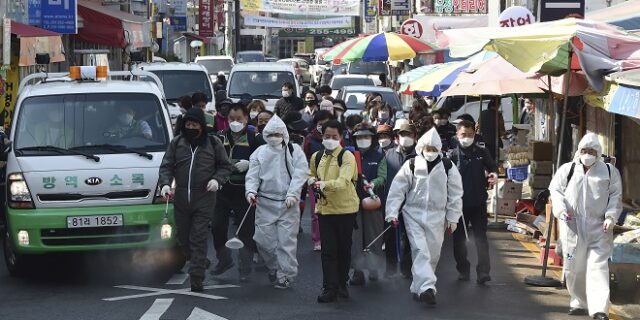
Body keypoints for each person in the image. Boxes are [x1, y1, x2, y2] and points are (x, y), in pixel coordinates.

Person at [158, 108, 234, 292]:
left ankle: (197, 280)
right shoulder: (177, 143)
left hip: (204, 197)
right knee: (183, 238)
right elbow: (166, 165)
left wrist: (217, 180)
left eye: (195, 124)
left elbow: (225, 166)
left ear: (202, 126)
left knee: (198, 238)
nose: (191, 127)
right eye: (188, 124)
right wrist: (165, 184)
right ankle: (200, 261)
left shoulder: (212, 143)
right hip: (182, 198)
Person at [385, 127, 463, 305]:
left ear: (439, 149)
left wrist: (452, 217)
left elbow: (456, 194)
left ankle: (417, 287)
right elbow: (398, 189)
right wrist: (392, 212)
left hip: (438, 217)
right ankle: (428, 288)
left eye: (434, 149)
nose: (430, 152)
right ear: (421, 147)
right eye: (427, 149)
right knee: (420, 251)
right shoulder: (411, 164)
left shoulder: (447, 166)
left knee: (433, 254)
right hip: (413, 214)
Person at [549, 133, 622, 320]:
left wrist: (610, 217)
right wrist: (560, 210)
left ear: (598, 153)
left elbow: (615, 196)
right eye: (584, 150)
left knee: (598, 267)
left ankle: (599, 309)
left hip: (599, 226)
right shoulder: (568, 170)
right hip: (572, 226)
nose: (587, 154)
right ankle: (578, 302)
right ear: (578, 151)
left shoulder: (609, 171)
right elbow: (555, 190)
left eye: (591, 151)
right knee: (574, 267)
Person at [245, 115, 309, 289]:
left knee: (286, 243)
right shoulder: (259, 153)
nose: (274, 137)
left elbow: (301, 173)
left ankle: (286, 275)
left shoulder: (294, 151)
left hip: (288, 204)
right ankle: (273, 266)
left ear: (284, 134)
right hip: (265, 203)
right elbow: (252, 176)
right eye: (271, 133)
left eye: (277, 133)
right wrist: (250, 191)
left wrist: (293, 194)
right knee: (263, 240)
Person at [309, 120, 359, 303]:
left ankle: (342, 283)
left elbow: (343, 182)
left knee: (344, 249)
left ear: (341, 137)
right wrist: (311, 181)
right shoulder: (316, 156)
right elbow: (310, 173)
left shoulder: (347, 157)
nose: (330, 140)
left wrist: (322, 184)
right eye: (327, 136)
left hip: (346, 209)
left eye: (334, 137)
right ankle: (330, 287)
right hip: (325, 209)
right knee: (328, 250)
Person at [210, 103, 260, 281]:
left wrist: (250, 163)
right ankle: (224, 259)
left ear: (247, 119)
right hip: (222, 190)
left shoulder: (255, 138)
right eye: (232, 119)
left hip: (244, 192)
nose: (235, 122)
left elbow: (264, 161)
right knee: (217, 227)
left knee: (246, 230)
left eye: (239, 119)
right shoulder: (219, 137)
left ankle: (245, 266)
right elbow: (211, 159)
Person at [448, 120, 497, 284]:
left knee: (481, 238)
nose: (466, 138)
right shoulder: (451, 156)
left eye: (470, 135)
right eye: (463, 135)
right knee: (459, 240)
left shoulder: (482, 152)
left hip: (478, 203)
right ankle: (463, 269)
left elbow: (493, 167)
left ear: (474, 135)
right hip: (458, 206)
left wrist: (493, 175)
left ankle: (483, 272)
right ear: (457, 135)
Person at [349, 123, 387, 286]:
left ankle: (373, 268)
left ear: (372, 138)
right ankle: (357, 271)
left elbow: (383, 176)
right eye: (359, 137)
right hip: (353, 202)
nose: (363, 140)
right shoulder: (349, 155)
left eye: (366, 137)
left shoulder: (379, 156)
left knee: (373, 237)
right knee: (355, 239)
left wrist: (373, 183)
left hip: (372, 202)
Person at [383, 122, 418, 278]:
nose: (406, 138)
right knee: (390, 236)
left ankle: (407, 268)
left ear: (415, 137)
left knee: (410, 237)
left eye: (409, 135)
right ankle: (390, 268)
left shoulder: (421, 155)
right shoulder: (389, 154)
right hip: (392, 203)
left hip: (412, 203)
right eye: (403, 135)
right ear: (397, 137)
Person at [303, 110, 335, 251]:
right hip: (315, 179)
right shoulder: (309, 139)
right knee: (316, 212)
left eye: (326, 123)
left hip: (333, 180)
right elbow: (304, 158)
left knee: (333, 210)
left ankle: (331, 238)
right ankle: (317, 240)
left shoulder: (336, 138)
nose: (323, 126)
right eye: (320, 124)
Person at [478, 97, 506, 161]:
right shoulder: (498, 115)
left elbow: (477, 127)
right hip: (494, 144)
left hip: (482, 142)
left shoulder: (482, 113)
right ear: (498, 105)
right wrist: (505, 134)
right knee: (493, 162)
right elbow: (501, 131)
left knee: (484, 161)